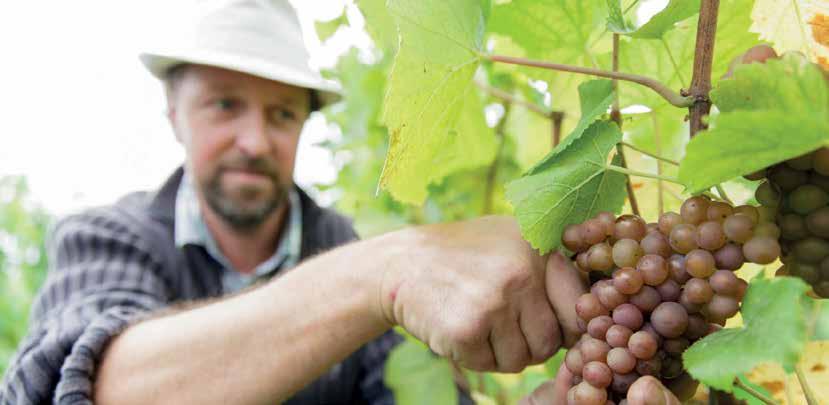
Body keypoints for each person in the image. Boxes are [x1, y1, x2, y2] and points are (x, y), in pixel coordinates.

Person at [0, 1, 587, 404]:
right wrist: (380, 275)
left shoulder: (340, 243)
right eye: (225, 105)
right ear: (173, 114)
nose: (255, 141)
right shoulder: (106, 237)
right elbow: (73, 389)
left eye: (282, 113)